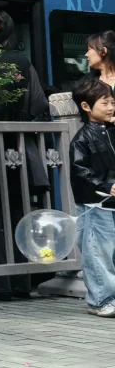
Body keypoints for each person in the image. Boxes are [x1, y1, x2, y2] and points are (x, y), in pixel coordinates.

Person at [0, 9, 50, 299]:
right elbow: (38, 105)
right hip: (17, 147)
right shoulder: (22, 61)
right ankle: (22, 283)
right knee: (20, 212)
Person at [69, 76, 115, 316]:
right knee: (98, 252)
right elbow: (80, 172)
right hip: (96, 205)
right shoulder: (82, 139)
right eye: (104, 103)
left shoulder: (111, 131)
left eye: (112, 103)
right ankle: (100, 300)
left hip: (110, 203)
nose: (110, 108)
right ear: (86, 107)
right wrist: (107, 186)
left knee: (110, 252)